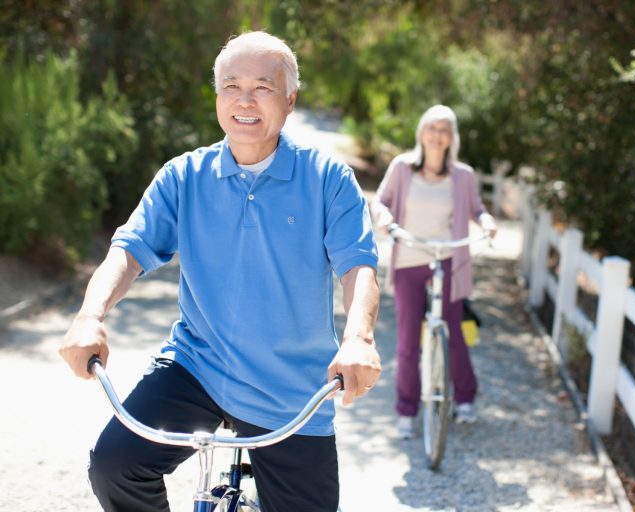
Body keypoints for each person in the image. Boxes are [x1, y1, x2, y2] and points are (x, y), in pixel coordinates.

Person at [59, 31, 381, 512]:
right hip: (198, 369)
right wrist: (90, 315)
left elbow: (358, 266)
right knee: (114, 465)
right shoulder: (183, 176)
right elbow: (129, 249)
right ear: (216, 97)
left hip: (291, 390)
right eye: (232, 86)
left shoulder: (327, 179)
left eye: (263, 87)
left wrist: (360, 338)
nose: (245, 100)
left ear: (290, 100)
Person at [372, 104, 497, 440]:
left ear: (451, 137)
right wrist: (385, 219)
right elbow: (380, 201)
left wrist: (486, 223)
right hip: (410, 255)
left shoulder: (463, 176)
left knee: (453, 331)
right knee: (408, 339)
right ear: (421, 132)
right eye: (432, 128)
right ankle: (406, 411)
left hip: (448, 258)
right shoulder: (402, 168)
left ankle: (466, 398)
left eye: (444, 129)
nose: (437, 135)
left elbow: (478, 210)